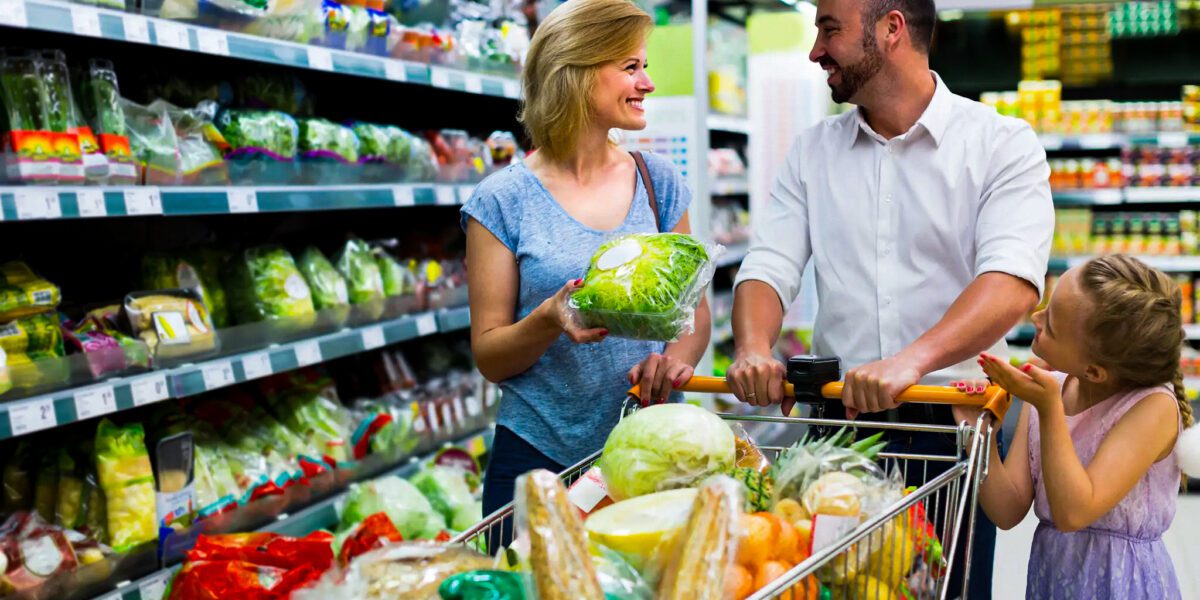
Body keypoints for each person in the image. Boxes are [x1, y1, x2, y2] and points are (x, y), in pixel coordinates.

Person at [725, 0, 1053, 597]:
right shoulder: (813, 152)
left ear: (891, 29)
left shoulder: (1001, 144)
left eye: (829, 30)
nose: (815, 50)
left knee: (944, 589)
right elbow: (769, 265)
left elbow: (1010, 282)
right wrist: (751, 346)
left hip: (950, 424)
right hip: (838, 424)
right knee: (832, 587)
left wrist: (911, 361)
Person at [461, 0, 711, 534]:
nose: (647, 83)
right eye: (630, 67)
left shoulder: (656, 181)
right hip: (537, 456)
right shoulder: (503, 200)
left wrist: (673, 363)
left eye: (644, 67)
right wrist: (548, 318)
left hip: (653, 450)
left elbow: (694, 315)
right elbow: (490, 355)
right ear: (574, 72)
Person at [954, 255, 1195, 599]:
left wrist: (1049, 407)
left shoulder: (1151, 408)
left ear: (1095, 371)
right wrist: (978, 430)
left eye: (1050, 325)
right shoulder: (1050, 388)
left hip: (1122, 586)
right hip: (1053, 580)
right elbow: (1007, 510)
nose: (1035, 317)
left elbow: (1074, 511)